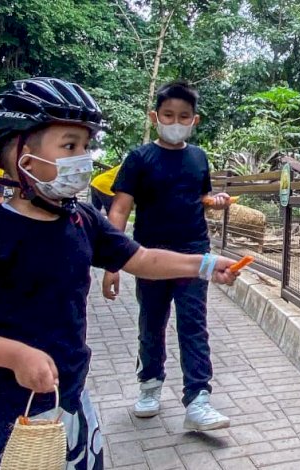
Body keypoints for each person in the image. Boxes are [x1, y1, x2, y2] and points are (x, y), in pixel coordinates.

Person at [0, 77, 241, 470]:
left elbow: (140, 259)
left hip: (71, 399)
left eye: (86, 146)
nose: (83, 158)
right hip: (0, 411)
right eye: (69, 146)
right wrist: (15, 355)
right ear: (20, 153)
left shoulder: (82, 219)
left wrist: (206, 265)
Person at [102, 80, 233, 429]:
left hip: (194, 253)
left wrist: (214, 201)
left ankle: (198, 399)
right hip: (148, 256)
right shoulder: (139, 158)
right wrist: (113, 261)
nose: (176, 121)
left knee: (193, 324)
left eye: (184, 116)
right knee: (152, 322)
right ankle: (150, 385)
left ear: (195, 120)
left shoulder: (199, 157)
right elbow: (119, 209)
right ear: (155, 116)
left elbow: (200, 197)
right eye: (169, 115)